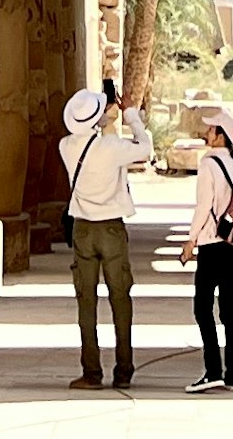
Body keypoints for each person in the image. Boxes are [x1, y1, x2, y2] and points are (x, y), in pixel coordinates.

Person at [60, 81, 144, 389]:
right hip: (111, 228)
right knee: (120, 299)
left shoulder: (66, 147)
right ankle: (124, 369)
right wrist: (130, 116)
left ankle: (91, 372)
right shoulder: (112, 147)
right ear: (99, 117)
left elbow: (89, 139)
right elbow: (143, 149)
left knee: (87, 302)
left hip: (83, 228)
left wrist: (101, 119)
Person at [187, 110, 233, 391]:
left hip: (212, 244)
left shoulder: (209, 164)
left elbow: (204, 206)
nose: (206, 134)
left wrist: (191, 240)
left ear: (220, 136)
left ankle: (213, 369)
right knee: (229, 310)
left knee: (202, 307)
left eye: (211, 130)